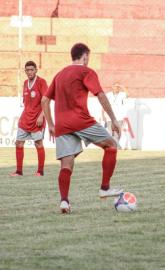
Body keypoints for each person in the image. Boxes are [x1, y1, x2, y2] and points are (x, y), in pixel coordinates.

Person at [41, 43, 123, 214]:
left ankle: (64, 201)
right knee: (111, 145)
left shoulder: (59, 74)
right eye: (88, 57)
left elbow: (44, 101)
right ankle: (105, 187)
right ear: (85, 56)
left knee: (66, 164)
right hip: (81, 120)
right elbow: (100, 94)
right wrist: (113, 119)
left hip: (62, 124)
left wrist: (51, 124)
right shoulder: (86, 71)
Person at [10, 61, 47, 177]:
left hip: (37, 119)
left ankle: (40, 171)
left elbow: (46, 100)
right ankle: (19, 171)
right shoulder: (25, 83)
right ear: (25, 71)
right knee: (19, 143)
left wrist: (41, 115)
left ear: (36, 70)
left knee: (38, 143)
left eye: (32, 69)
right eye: (27, 70)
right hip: (26, 117)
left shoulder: (42, 82)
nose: (29, 72)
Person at [102, 82, 128, 149]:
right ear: (112, 87)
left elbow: (128, 94)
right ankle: (116, 146)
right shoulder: (108, 95)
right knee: (110, 132)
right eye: (115, 86)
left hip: (119, 117)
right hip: (109, 117)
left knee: (117, 133)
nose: (117, 88)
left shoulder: (122, 94)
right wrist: (103, 114)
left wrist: (122, 86)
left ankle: (116, 146)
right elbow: (104, 104)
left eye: (118, 87)